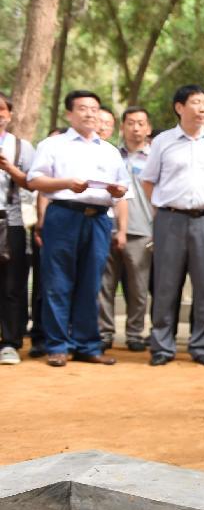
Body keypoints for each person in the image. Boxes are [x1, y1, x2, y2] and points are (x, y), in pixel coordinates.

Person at [27, 90, 130, 367]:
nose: (90, 114)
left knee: (91, 282)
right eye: (83, 108)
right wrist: (66, 183)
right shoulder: (53, 145)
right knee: (57, 283)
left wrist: (118, 189)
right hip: (64, 215)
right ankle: (58, 345)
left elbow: (122, 187)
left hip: (98, 218)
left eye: (94, 109)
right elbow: (35, 180)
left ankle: (87, 345)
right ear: (69, 114)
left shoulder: (109, 150)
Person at [142, 84, 204, 367]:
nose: (202, 108)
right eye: (195, 102)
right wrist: (161, 209)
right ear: (180, 107)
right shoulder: (162, 142)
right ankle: (162, 347)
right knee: (166, 285)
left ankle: (202, 346)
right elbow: (148, 181)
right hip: (169, 219)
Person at [98, 106, 154, 352]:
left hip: (142, 229)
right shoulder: (109, 154)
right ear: (122, 127)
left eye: (141, 123)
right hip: (107, 226)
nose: (136, 128)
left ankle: (134, 333)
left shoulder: (155, 156)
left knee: (138, 287)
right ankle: (104, 332)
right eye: (130, 123)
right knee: (105, 285)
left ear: (148, 128)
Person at [0, 91, 36, 365]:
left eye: (2, 109)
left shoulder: (22, 147)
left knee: (12, 284)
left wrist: (10, 169)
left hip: (10, 222)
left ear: (9, 115)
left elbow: (34, 184)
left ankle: (10, 342)